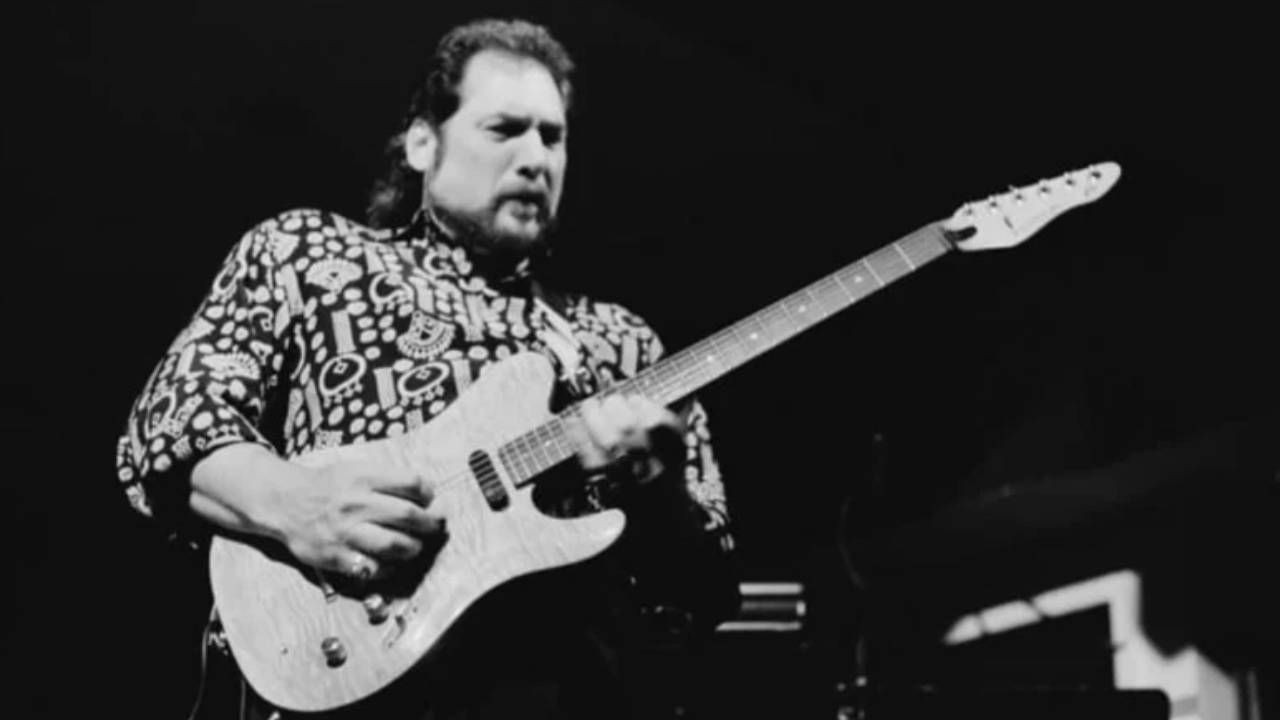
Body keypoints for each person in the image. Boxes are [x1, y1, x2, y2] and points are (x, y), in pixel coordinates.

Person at [114, 17, 739, 720]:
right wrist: (294, 502)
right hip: (337, 674)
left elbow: (704, 600)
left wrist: (658, 493)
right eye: (505, 129)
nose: (536, 157)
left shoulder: (620, 343)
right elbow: (166, 422)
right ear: (422, 143)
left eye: (553, 136)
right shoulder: (309, 254)